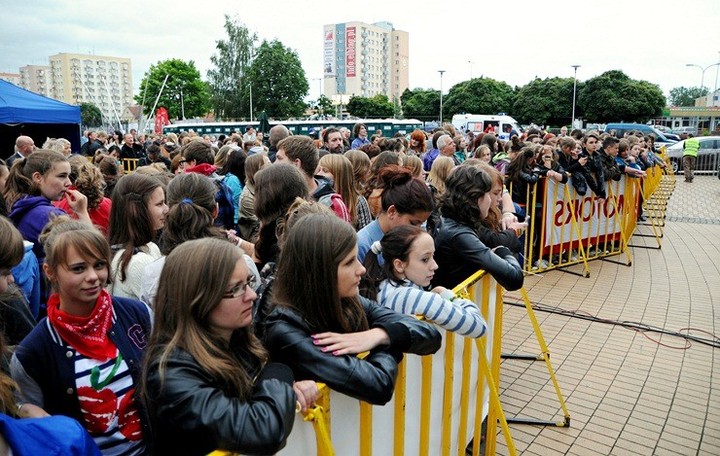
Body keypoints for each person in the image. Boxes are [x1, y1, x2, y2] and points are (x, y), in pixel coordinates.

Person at [142, 238, 316, 455]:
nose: (252, 296)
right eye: (236, 289)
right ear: (198, 299)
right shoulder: (171, 373)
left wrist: (285, 394)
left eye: (249, 282)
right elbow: (261, 429)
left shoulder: (238, 343)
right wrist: (279, 374)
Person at [262, 214, 441, 405]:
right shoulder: (285, 327)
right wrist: (390, 343)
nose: (362, 269)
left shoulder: (348, 300)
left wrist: (380, 335)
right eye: (349, 262)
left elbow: (431, 336)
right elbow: (378, 385)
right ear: (319, 271)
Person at [11, 218, 152, 454]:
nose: (93, 277)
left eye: (99, 265)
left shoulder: (136, 315)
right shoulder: (34, 352)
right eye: (78, 268)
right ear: (50, 271)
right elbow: (31, 419)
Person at [364, 225, 487, 338]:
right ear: (399, 265)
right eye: (425, 259)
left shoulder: (384, 285)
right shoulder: (411, 296)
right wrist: (448, 295)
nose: (435, 265)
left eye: (433, 256)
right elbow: (479, 326)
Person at [432, 165, 524, 291]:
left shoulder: (450, 219)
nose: (490, 200)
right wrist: (502, 251)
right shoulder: (460, 234)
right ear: (476, 198)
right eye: (488, 194)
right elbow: (515, 278)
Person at [4, 150, 90, 262]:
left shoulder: (17, 204)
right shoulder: (50, 216)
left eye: (69, 176)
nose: (69, 183)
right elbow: (89, 252)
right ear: (38, 177)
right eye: (62, 176)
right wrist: (82, 212)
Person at [356, 165, 434, 264]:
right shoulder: (361, 246)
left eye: (422, 224)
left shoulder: (405, 241)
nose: (417, 230)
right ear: (392, 212)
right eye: (413, 223)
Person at [108, 173, 168, 301]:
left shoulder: (150, 247)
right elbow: (167, 309)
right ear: (136, 210)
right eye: (160, 204)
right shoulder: (138, 263)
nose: (166, 209)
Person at [275, 135, 349, 222]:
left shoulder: (333, 204)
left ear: (296, 164)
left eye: (279, 159)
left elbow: (343, 235)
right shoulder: (278, 198)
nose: (274, 164)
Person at [316, 154, 371, 230]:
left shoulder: (358, 201)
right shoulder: (317, 197)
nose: (319, 174)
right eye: (318, 170)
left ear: (339, 175)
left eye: (325, 171)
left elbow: (365, 232)